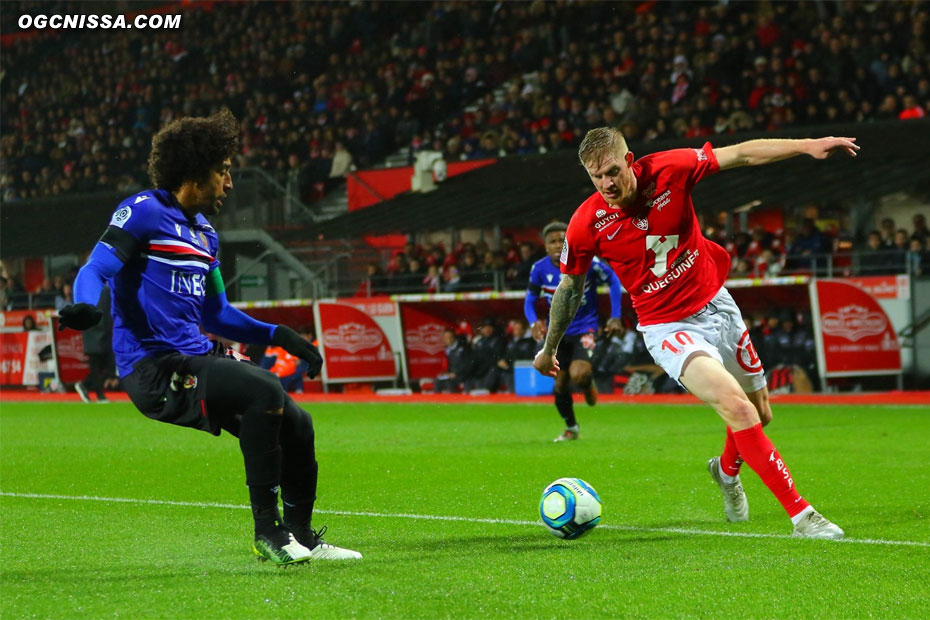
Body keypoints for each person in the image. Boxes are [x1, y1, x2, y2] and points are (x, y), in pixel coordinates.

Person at [57, 108, 361, 565]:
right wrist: (83, 303)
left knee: (299, 425)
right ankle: (269, 533)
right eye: (223, 172)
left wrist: (282, 336)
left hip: (198, 356)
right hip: (153, 368)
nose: (230, 183)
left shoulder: (206, 236)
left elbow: (216, 313)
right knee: (264, 388)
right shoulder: (144, 212)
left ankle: (302, 537)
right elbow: (96, 267)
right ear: (194, 174)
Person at [535, 126, 858, 538]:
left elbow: (742, 153)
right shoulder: (586, 224)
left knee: (760, 413)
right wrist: (549, 348)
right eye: (596, 177)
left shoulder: (672, 168)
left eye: (613, 171)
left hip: (717, 305)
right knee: (738, 409)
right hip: (668, 326)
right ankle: (803, 517)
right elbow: (570, 287)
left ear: (630, 160)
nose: (607, 184)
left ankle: (725, 471)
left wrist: (806, 146)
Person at [526, 221, 624, 442]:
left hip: (586, 328)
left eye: (562, 239)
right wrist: (533, 322)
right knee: (560, 383)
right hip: (558, 333)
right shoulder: (538, 269)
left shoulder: (587, 260)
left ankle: (587, 382)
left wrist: (615, 315)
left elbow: (614, 279)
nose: (557, 244)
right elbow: (530, 300)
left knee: (578, 374)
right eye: (552, 241)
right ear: (545, 246)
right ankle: (571, 427)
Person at [74, 285, 114, 404]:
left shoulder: (86, 288)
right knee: (99, 366)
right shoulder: (103, 289)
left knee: (102, 367)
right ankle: (99, 395)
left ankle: (85, 386)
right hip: (97, 332)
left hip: (97, 332)